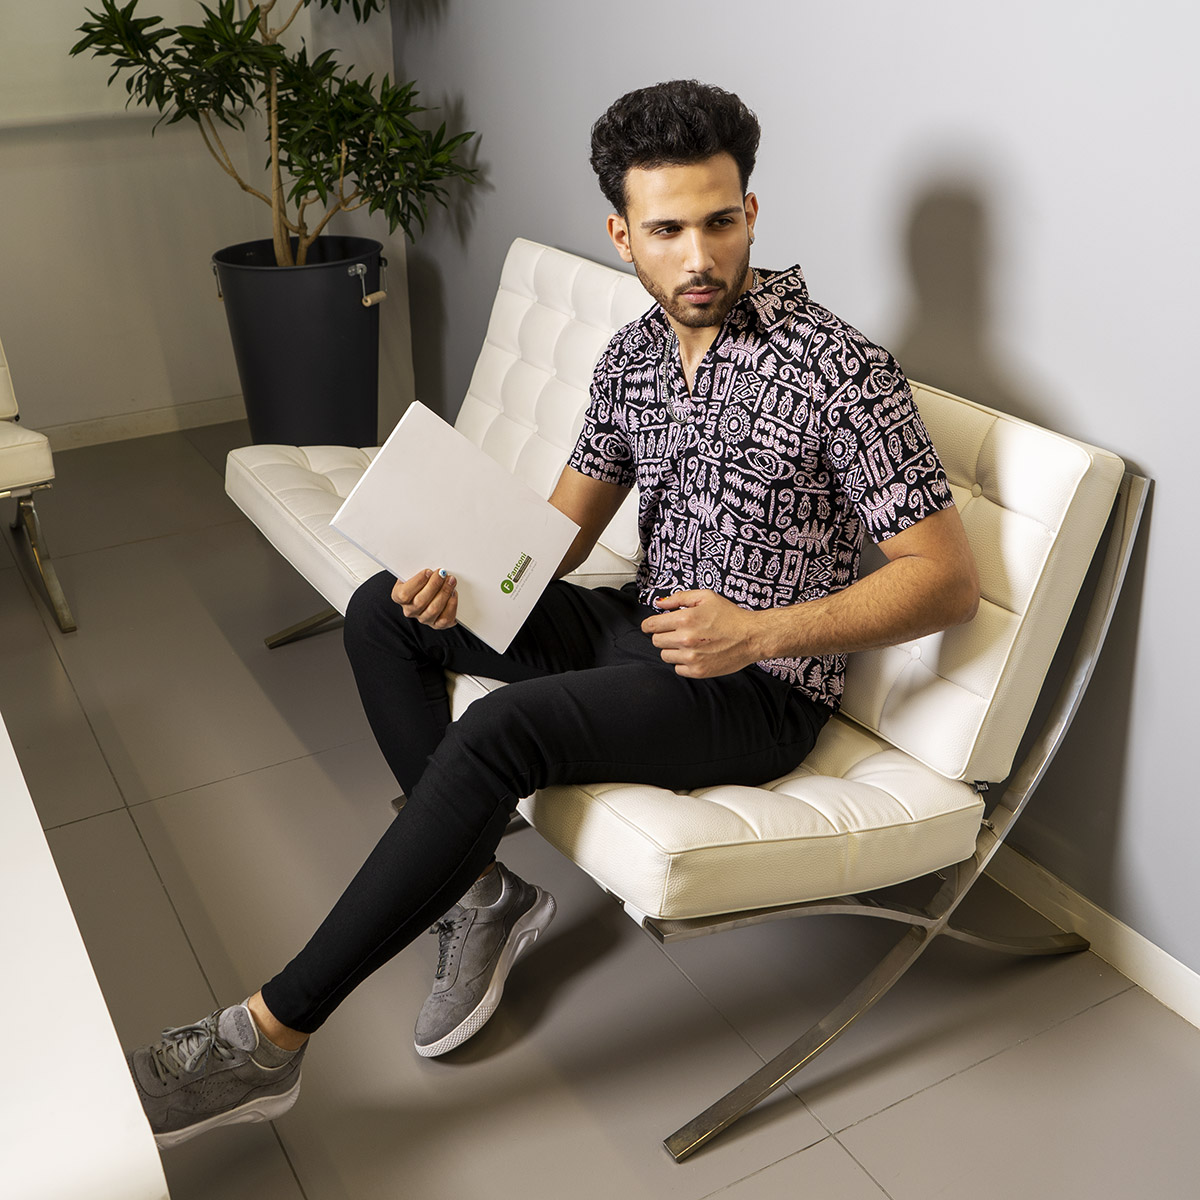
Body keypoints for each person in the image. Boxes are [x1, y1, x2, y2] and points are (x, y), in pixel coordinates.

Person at [127, 79, 980, 1148]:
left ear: (752, 212)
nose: (700, 256)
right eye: (667, 230)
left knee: (500, 731)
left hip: (753, 687)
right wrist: (462, 575)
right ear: (624, 235)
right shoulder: (634, 357)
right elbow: (560, 537)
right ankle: (481, 895)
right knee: (383, 613)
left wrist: (762, 631)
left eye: (720, 222)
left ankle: (267, 1037)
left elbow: (945, 580)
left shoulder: (841, 370)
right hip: (641, 621)